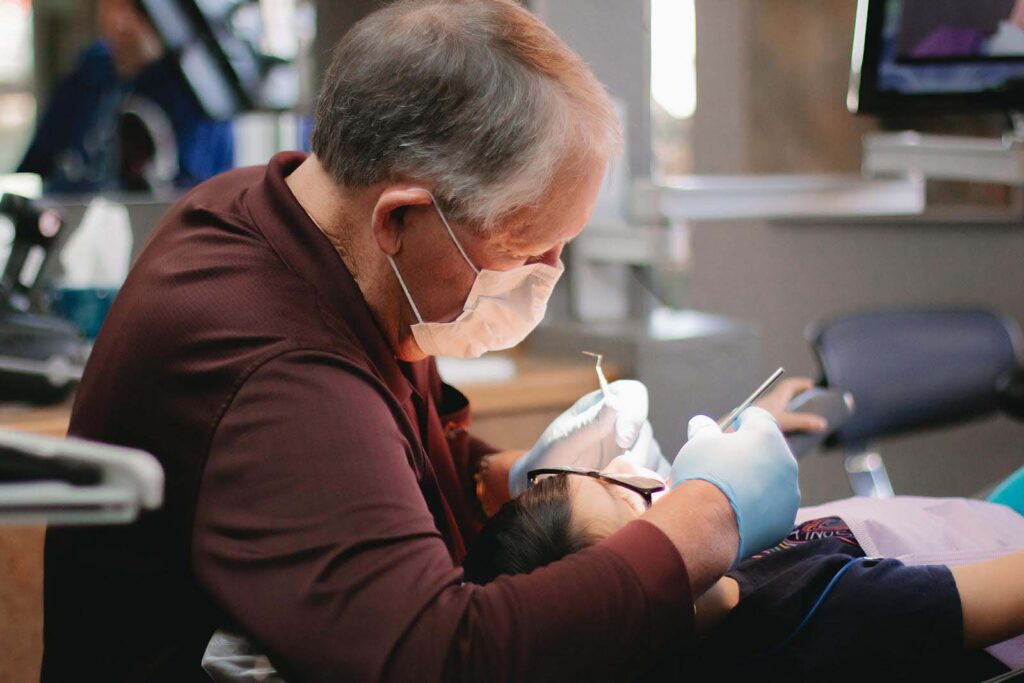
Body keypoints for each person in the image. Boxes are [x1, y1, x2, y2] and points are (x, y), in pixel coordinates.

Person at [41, 2, 808, 680]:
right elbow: (440, 655)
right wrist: (706, 518)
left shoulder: (285, 215)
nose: (546, 274)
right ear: (398, 218)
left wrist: (504, 480)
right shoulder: (274, 361)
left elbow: (361, 464)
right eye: (523, 248)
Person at [459, 448, 1024, 681]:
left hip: (975, 521)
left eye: (604, 471)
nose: (640, 470)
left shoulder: (721, 585)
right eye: (635, 499)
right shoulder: (823, 619)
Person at [18, 0, 233, 193]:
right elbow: (36, 172)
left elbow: (203, 199)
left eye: (138, 8)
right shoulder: (86, 76)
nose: (121, 23)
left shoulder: (202, 92)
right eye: (114, 5)